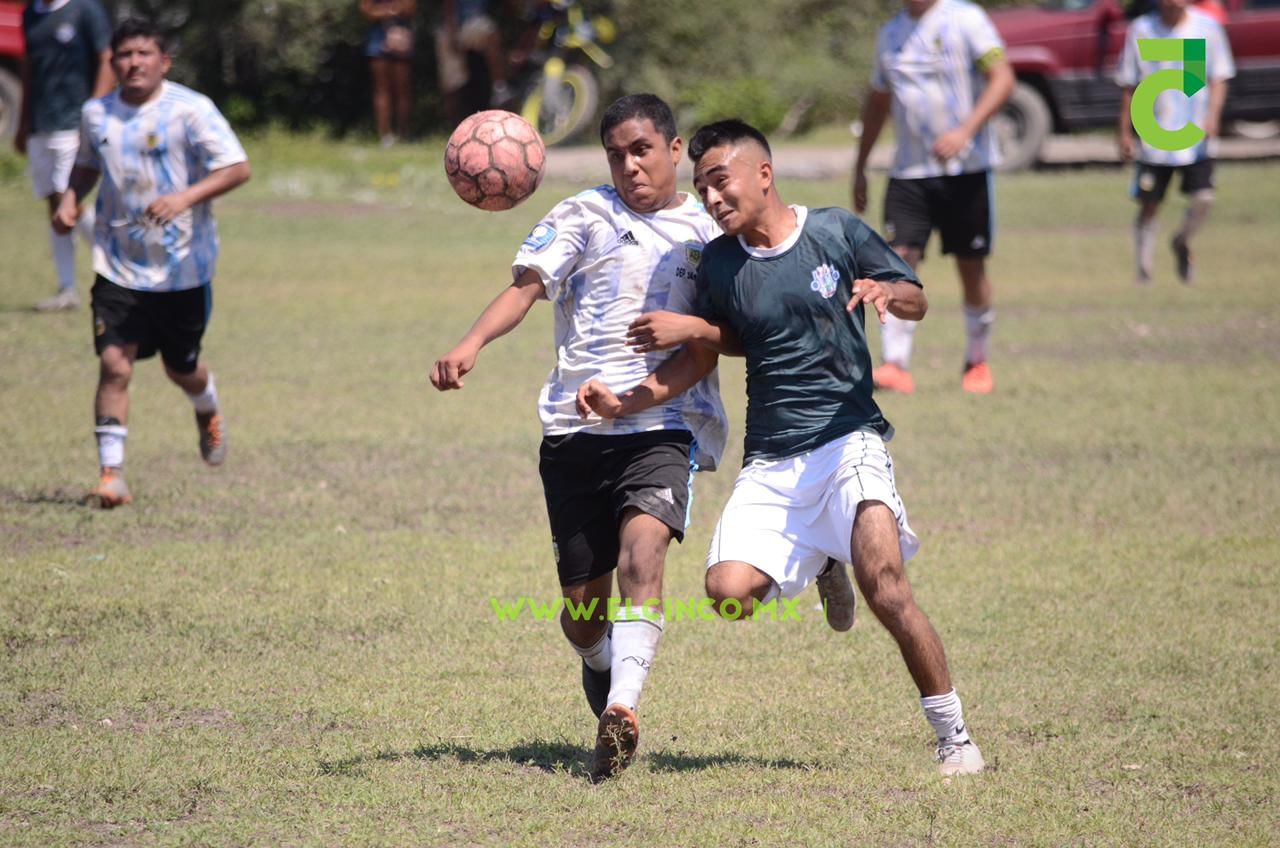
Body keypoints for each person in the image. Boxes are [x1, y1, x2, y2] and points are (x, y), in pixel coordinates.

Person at [578, 119, 986, 778]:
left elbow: (917, 298)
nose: (711, 199)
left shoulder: (835, 232)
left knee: (885, 587)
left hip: (848, 437)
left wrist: (887, 292)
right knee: (727, 594)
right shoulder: (719, 261)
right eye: (701, 187)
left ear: (762, 174)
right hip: (772, 456)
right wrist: (692, 331)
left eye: (720, 181)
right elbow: (740, 337)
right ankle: (825, 562)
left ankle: (955, 738)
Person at [430, 94, 729, 783]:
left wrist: (632, 399)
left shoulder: (708, 235)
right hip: (574, 430)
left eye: (642, 150)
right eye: (616, 154)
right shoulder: (582, 214)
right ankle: (599, 665)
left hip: (660, 423)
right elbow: (527, 287)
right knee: (583, 614)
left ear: (675, 150)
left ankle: (622, 709)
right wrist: (472, 341)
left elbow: (706, 352)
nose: (629, 166)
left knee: (643, 554)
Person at [52, 17, 251, 508]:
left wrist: (184, 197)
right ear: (112, 61)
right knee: (114, 364)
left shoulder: (191, 110)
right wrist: (70, 198)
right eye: (124, 54)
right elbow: (87, 164)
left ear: (164, 61)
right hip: (118, 262)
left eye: (144, 53)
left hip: (183, 267)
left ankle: (206, 406)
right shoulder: (97, 114)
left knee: (180, 368)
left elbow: (237, 167)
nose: (134, 62)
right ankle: (111, 475)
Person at [852, 0, 1014, 395]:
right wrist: (861, 166)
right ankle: (895, 364)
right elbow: (878, 102)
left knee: (970, 267)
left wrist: (965, 131)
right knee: (898, 262)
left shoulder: (966, 19)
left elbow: (1003, 79)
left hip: (966, 170)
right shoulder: (889, 34)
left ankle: (977, 360)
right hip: (908, 172)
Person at [1116, 0, 1233, 285]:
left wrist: (1213, 116)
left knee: (1203, 198)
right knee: (1149, 203)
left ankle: (1181, 240)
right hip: (1155, 132)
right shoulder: (1141, 29)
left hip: (1194, 134)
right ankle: (1143, 272)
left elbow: (1219, 77)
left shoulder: (1207, 27)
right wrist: (1124, 132)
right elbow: (1130, 85)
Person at [15, 0, 114, 312]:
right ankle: (67, 287)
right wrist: (23, 121)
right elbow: (30, 69)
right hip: (41, 123)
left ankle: (116, 267)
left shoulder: (85, 10)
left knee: (68, 198)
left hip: (73, 123)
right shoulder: (30, 13)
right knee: (53, 203)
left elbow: (106, 58)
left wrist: (94, 112)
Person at [432, 0, 511, 127]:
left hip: (474, 23)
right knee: (452, 85)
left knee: (490, 33)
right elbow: (449, 6)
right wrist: (452, 33)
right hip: (454, 27)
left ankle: (499, 88)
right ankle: (455, 132)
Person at [360, 0, 417, 146]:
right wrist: (392, 10)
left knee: (403, 88)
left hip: (402, 35)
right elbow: (367, 10)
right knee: (381, 89)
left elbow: (410, 7)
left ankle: (403, 133)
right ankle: (384, 135)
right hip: (377, 38)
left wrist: (383, 11)